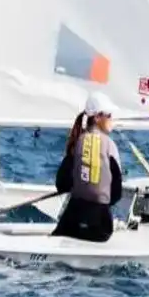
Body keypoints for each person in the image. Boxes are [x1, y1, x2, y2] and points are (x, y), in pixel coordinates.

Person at [53, 93, 124, 243]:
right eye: (109, 115)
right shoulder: (110, 146)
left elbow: (61, 184)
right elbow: (116, 193)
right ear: (98, 117)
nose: (112, 119)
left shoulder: (78, 141)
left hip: (72, 223)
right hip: (101, 228)